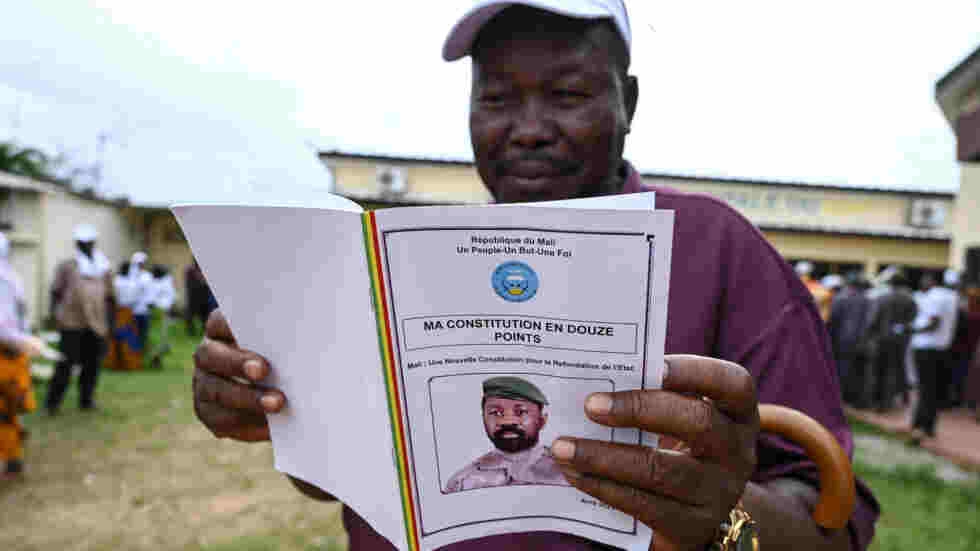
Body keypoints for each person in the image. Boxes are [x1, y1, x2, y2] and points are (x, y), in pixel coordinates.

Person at [190, 3, 879, 550]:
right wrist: (271, 405)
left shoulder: (717, 249)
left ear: (627, 104)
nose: (528, 129)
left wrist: (722, 519)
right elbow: (350, 486)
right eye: (496, 98)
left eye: (567, 93)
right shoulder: (406, 268)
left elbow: (827, 522)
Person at [445, 376, 567, 493]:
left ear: (542, 421)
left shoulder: (567, 473)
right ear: (483, 419)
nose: (507, 421)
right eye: (496, 412)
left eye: (520, 412)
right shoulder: (462, 482)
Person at [46, 224, 114, 413]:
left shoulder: (103, 266)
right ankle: (53, 402)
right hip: (72, 322)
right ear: (77, 244)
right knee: (65, 363)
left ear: (94, 243)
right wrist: (54, 315)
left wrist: (110, 323)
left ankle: (86, 399)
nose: (86, 246)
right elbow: (55, 291)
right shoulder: (68, 266)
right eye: (82, 243)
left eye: (89, 243)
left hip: (97, 323)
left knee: (92, 364)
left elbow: (109, 297)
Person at [0, 232, 43, 479]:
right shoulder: (11, 279)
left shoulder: (7, 281)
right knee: (7, 409)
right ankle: (11, 458)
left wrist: (25, 341)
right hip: (11, 352)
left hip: (8, 353)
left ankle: (11, 458)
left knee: (7, 409)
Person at [909, 272, 960, 439]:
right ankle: (927, 426)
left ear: (933, 281)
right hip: (942, 348)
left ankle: (920, 426)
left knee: (925, 389)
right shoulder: (953, 297)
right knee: (933, 389)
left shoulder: (935, 296)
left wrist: (910, 329)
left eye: (925, 278)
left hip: (926, 347)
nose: (922, 281)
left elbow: (933, 322)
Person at [861, 272, 917, 411]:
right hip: (900, 341)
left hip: (881, 340)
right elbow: (912, 320)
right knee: (894, 371)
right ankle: (889, 402)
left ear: (890, 284)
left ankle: (876, 402)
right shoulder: (910, 300)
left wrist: (867, 337)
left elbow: (873, 320)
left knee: (877, 371)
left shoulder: (882, 298)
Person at [828, 272, 871, 404]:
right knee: (858, 372)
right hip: (862, 341)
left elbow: (833, 319)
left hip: (843, 340)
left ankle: (840, 398)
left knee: (842, 369)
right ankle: (854, 398)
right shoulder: (868, 300)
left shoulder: (841, 298)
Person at [184, 259, 215, 336]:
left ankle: (205, 331)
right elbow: (190, 285)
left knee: (204, 317)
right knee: (189, 317)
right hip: (193, 298)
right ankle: (191, 332)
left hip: (203, 299)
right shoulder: (190, 271)